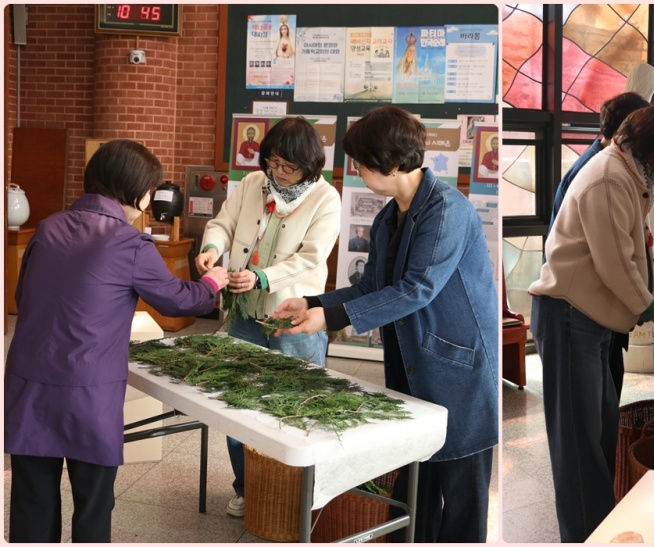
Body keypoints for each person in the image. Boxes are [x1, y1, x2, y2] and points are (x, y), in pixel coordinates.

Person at [272, 105, 498, 543]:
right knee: (415, 490)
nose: (355, 170)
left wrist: (330, 318)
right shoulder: (387, 216)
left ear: (391, 163)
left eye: (361, 162)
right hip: (414, 365)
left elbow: (417, 289)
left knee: (463, 500)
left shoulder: (447, 210)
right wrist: (313, 303)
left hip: (457, 369)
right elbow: (371, 286)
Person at [4, 139, 230, 543]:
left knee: (31, 502)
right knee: (93, 505)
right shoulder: (130, 243)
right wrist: (212, 283)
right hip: (88, 393)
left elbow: (23, 299)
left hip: (28, 383)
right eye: (150, 190)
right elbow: (179, 301)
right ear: (137, 191)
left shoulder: (47, 227)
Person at [528, 104, 654, 542]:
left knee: (600, 438)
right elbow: (615, 264)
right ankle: (586, 538)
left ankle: (599, 532)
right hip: (569, 315)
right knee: (579, 448)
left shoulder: (631, 176)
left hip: (592, 319)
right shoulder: (608, 177)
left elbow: (640, 252)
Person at [194, 115, 342, 518]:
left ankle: (297, 495)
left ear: (310, 164)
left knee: (296, 406)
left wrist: (262, 277)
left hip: (293, 320)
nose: (278, 172)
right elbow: (223, 223)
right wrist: (212, 248)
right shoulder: (252, 184)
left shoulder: (325, 198)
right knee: (238, 404)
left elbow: (311, 258)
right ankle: (247, 488)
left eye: (288, 166)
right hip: (245, 315)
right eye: (273, 162)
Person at [546, 91, 650, 400]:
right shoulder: (602, 173)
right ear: (630, 130)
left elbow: (633, 245)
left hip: (602, 302)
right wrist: (652, 310)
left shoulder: (621, 167)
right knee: (587, 409)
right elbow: (613, 259)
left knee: (606, 401)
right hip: (582, 303)